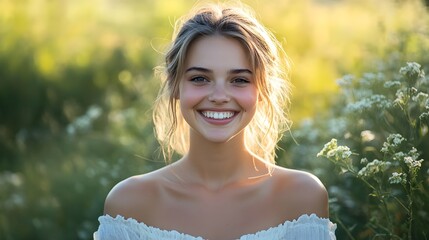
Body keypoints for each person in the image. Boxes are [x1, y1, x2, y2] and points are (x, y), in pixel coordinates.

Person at [94, 2, 336, 239]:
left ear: (262, 90)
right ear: (174, 85)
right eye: (200, 78)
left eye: (239, 80)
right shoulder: (129, 205)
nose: (219, 97)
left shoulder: (301, 197)